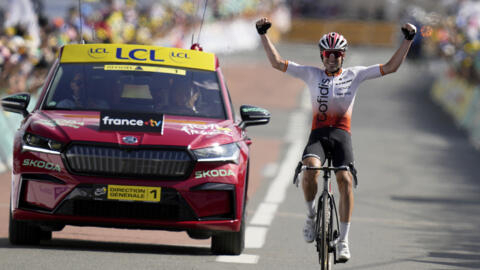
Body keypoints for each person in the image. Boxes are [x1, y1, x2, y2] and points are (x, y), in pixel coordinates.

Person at [255, 17, 416, 262]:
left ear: (343, 56)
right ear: (322, 56)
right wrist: (263, 34)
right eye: (328, 53)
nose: (332, 58)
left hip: (342, 136)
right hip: (318, 135)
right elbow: (277, 63)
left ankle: (343, 240)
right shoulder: (311, 74)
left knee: (345, 179)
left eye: (337, 54)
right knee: (310, 171)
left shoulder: (356, 74)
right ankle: (310, 217)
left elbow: (391, 67)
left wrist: (408, 40)